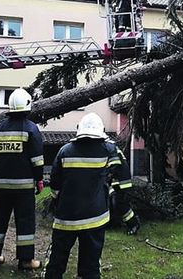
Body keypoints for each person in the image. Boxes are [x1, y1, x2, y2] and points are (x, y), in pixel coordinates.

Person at [44, 112, 124, 279]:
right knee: (91, 263)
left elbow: (55, 183)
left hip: (66, 217)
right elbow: (118, 170)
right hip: (95, 218)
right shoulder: (107, 150)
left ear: (79, 130)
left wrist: (55, 199)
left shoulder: (64, 151)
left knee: (57, 258)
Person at [0, 88, 44, 270]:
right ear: (27, 106)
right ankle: (25, 261)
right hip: (24, 187)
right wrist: (39, 180)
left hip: (1, 187)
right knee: (25, 221)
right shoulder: (31, 129)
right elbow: (37, 160)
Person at [107, 141, 140, 235]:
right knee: (111, 202)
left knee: (119, 203)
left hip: (120, 182)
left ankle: (134, 224)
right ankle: (112, 224)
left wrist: (105, 176)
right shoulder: (109, 147)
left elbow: (114, 165)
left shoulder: (110, 148)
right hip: (115, 182)